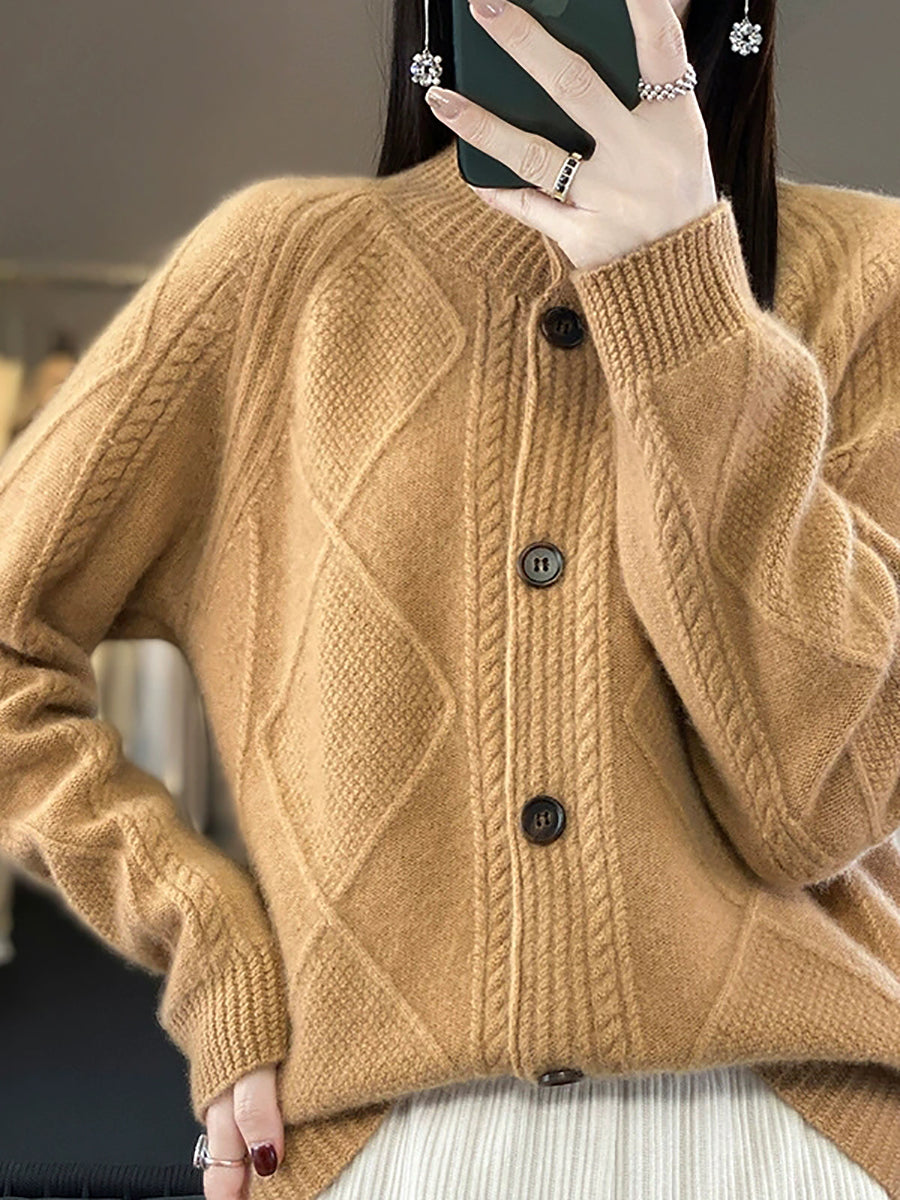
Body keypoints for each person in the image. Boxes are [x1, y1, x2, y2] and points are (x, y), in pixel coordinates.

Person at [2, 0, 899, 1197]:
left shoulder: (872, 280)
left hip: (801, 1142)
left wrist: (680, 288)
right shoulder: (273, 274)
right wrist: (206, 941)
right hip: (385, 1150)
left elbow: (820, 805)